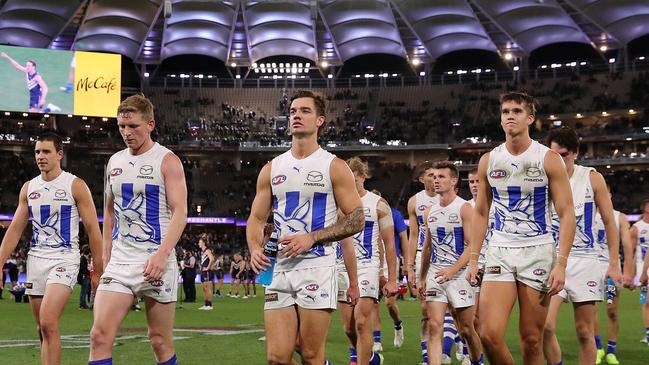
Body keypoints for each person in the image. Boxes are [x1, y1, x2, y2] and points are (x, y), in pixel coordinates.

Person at [246, 90, 365, 364]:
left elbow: (357, 218)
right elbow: (256, 219)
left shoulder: (334, 167)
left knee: (311, 355)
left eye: (305, 111)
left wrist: (312, 237)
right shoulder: (272, 168)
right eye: (293, 111)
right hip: (279, 267)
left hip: (318, 268)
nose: (296, 115)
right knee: (277, 357)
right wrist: (254, 248)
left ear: (320, 120)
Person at [466, 92, 576, 365]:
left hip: (538, 250)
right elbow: (481, 213)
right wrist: (473, 259)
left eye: (516, 111)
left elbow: (567, 213)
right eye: (505, 111)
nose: (510, 116)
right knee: (488, 334)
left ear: (530, 118)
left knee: (531, 340)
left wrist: (561, 263)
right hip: (500, 251)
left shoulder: (548, 158)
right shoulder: (488, 160)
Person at [88, 94, 187, 365]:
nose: (126, 132)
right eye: (122, 126)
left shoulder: (167, 161)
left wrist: (162, 254)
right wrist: (106, 256)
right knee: (99, 335)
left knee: (159, 340)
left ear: (150, 124)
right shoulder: (114, 162)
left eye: (133, 126)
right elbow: (109, 212)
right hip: (121, 262)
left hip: (157, 262)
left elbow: (181, 212)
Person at [0, 131, 103, 365]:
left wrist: (98, 268)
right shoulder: (29, 188)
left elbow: (92, 229)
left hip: (65, 258)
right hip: (36, 260)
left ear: (59, 154)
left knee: (47, 321)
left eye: (46, 151)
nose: (40, 156)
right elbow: (15, 229)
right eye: (37, 151)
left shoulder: (75, 185)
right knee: (42, 329)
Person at [542, 126, 622, 365]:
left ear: (575, 152)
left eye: (564, 154)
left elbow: (609, 222)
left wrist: (614, 264)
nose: (558, 160)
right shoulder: (543, 180)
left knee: (585, 332)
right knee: (546, 326)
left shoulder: (592, 177)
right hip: (553, 261)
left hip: (586, 260)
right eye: (553, 155)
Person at [418, 161, 483, 365]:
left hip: (460, 275)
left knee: (466, 329)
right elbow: (427, 248)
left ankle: (476, 361)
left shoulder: (464, 208)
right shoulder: (429, 212)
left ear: (453, 181)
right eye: (434, 177)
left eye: (441, 177)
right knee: (434, 326)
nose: (436, 180)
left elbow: (473, 245)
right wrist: (421, 278)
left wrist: (453, 270)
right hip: (436, 274)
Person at [337, 157, 398, 365]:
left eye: (353, 179)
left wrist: (391, 279)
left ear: (363, 177)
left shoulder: (378, 204)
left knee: (361, 321)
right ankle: (371, 358)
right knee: (348, 328)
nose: (349, 184)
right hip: (342, 268)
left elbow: (390, 244)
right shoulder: (337, 204)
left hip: (368, 267)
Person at [593, 188, 635, 365]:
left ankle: (611, 350)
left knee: (611, 310)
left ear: (609, 196)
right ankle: (597, 348)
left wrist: (628, 272)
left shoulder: (619, 217)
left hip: (611, 270)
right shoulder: (587, 214)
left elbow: (627, 246)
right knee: (591, 310)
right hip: (591, 269)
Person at [405, 160, 438, 365]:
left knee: (455, 308)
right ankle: (427, 355)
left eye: (437, 175)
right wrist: (409, 266)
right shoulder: (415, 201)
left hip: (448, 255)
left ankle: (461, 342)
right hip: (422, 257)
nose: (435, 179)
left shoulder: (451, 199)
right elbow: (413, 235)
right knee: (426, 309)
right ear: (421, 179)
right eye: (430, 175)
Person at [371, 197, 409, 352]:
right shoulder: (365, 212)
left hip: (390, 261)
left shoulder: (394, 214)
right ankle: (377, 340)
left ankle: (398, 325)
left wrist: (407, 262)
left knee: (389, 302)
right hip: (372, 260)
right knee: (373, 303)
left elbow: (403, 237)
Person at [631, 199, 649, 345]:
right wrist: (630, 274)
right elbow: (630, 252)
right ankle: (648, 333)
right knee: (645, 302)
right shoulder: (637, 228)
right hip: (642, 268)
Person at [198, 237, 214, 310]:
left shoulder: (207, 251)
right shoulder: (202, 252)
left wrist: (207, 267)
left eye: (200, 242)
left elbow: (212, 259)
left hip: (206, 271)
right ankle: (206, 304)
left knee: (207, 288)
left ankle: (210, 305)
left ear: (203, 243)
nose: (199, 244)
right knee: (204, 288)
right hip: (203, 271)